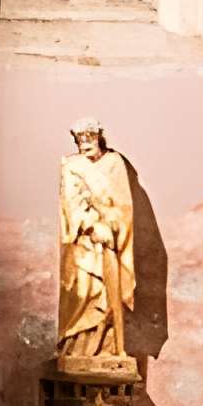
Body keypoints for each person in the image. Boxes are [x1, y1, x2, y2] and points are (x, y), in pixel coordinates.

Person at [57, 123, 136, 371]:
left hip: (110, 242)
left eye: (90, 137)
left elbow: (124, 204)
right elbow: (71, 202)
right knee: (81, 292)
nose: (85, 143)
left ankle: (108, 347)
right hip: (82, 244)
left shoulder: (114, 164)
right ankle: (76, 349)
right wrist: (92, 227)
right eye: (80, 139)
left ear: (100, 138)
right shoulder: (71, 166)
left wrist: (112, 226)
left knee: (108, 298)